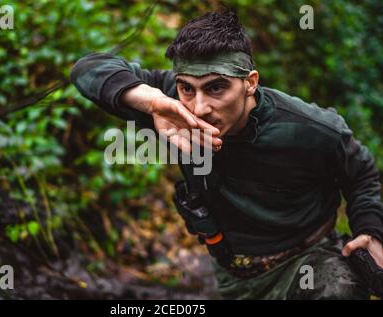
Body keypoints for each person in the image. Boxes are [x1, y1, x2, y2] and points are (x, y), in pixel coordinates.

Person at [70, 9, 383, 299]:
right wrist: (150, 101)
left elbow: (362, 175)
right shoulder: (172, 107)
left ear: (250, 83)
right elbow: (87, 68)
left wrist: (370, 229)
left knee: (338, 290)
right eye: (186, 88)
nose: (199, 107)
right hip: (231, 275)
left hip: (307, 263)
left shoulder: (310, 128)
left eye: (216, 88)